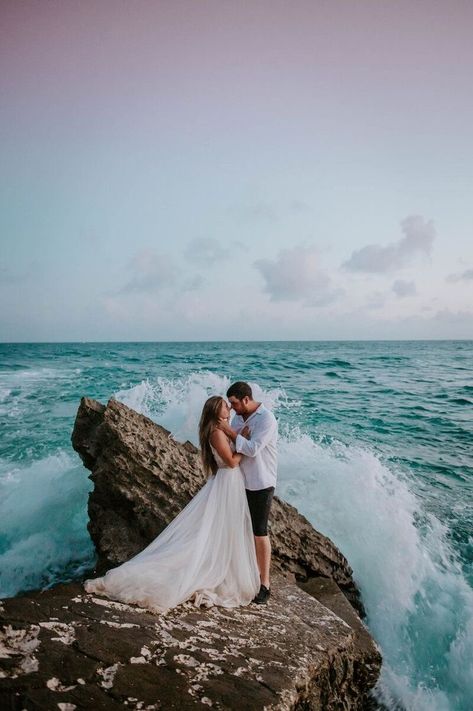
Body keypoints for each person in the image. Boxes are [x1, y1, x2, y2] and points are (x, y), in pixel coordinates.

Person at [83, 396, 260, 614]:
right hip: (227, 481)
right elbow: (232, 461)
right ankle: (213, 571)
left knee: (224, 530)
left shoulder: (220, 430)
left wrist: (237, 437)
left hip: (229, 483)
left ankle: (224, 567)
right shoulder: (215, 432)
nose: (230, 408)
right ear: (217, 411)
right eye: (226, 406)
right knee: (218, 530)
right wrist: (242, 442)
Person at [217, 381, 278, 605]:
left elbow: (252, 449)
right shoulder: (237, 419)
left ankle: (265, 584)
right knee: (240, 530)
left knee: (260, 532)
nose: (231, 408)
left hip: (261, 482)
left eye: (234, 403)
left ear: (245, 399)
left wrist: (229, 433)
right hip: (239, 481)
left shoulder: (266, 419)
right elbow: (237, 446)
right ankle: (242, 575)